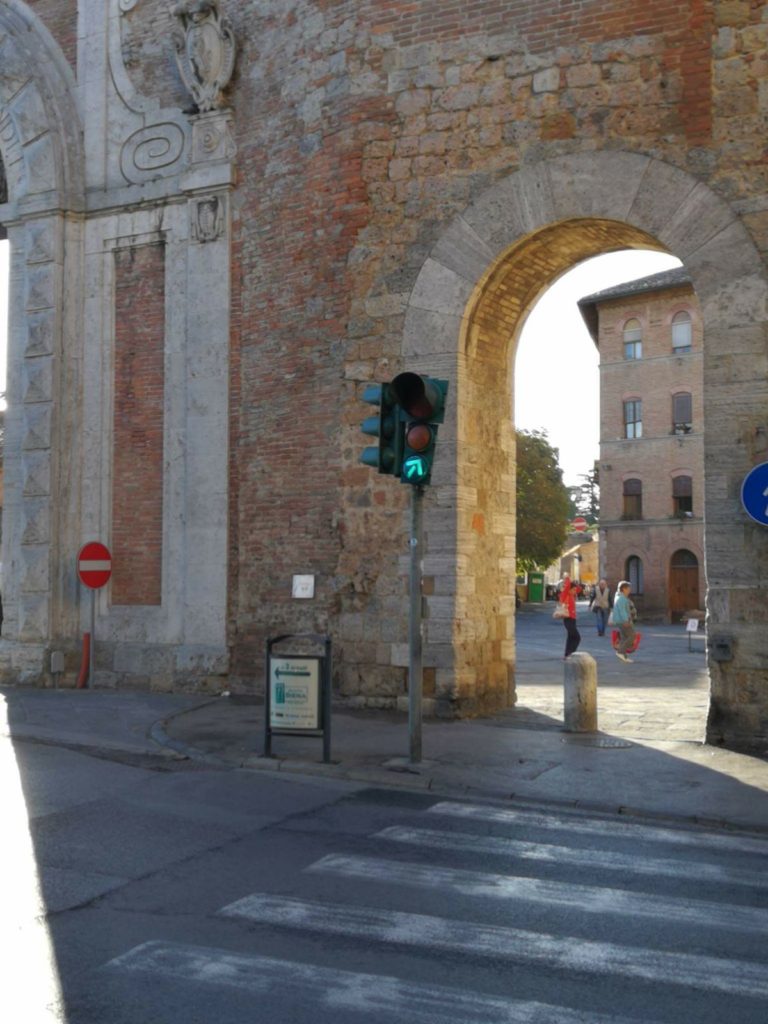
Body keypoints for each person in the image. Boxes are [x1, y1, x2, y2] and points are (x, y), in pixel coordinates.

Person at [613, 580, 637, 663]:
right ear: (624, 589)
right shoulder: (622, 599)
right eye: (628, 588)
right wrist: (626, 620)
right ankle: (620, 652)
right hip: (623, 621)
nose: (630, 590)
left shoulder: (620, 597)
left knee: (624, 637)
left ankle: (624, 656)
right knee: (632, 636)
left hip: (620, 621)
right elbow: (622, 611)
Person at [558, 574, 581, 658]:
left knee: (571, 637)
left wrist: (574, 583)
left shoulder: (572, 595)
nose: (575, 591)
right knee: (577, 637)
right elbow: (568, 586)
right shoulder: (565, 595)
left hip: (573, 619)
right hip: (568, 619)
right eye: (573, 589)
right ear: (569, 589)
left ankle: (567, 654)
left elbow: (579, 589)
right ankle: (571, 653)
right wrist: (568, 579)